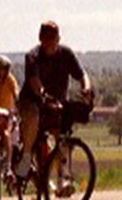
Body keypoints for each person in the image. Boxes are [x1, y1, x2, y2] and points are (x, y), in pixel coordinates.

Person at [14, 21, 94, 184]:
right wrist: (43, 93)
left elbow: (81, 74)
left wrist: (86, 88)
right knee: (33, 116)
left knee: (62, 138)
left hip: (56, 103)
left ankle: (62, 179)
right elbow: (34, 81)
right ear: (40, 38)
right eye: (47, 38)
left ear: (58, 38)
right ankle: (27, 157)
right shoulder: (32, 56)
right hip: (31, 100)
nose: (50, 41)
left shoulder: (66, 54)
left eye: (53, 37)